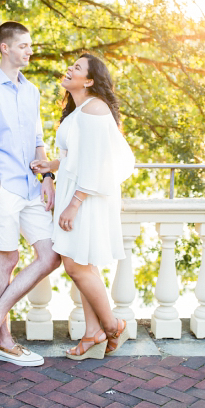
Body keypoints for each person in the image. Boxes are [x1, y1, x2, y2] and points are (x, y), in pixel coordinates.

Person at [30, 53, 135, 360]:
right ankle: (93, 335)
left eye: (77, 68)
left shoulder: (95, 108)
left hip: (86, 197)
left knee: (76, 265)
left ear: (89, 80)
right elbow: (76, 155)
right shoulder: (78, 110)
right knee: (82, 264)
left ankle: (114, 325)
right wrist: (50, 164)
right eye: (71, 65)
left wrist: (74, 204)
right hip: (76, 192)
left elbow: (96, 161)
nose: (70, 69)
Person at [0, 22, 61, 368]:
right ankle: (4, 341)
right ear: (4, 48)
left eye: (30, 45)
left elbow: (38, 141)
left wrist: (48, 177)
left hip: (31, 189)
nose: (29, 50)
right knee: (6, 261)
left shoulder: (32, 91)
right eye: (23, 45)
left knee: (50, 255)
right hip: (5, 191)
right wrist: (0, 194)